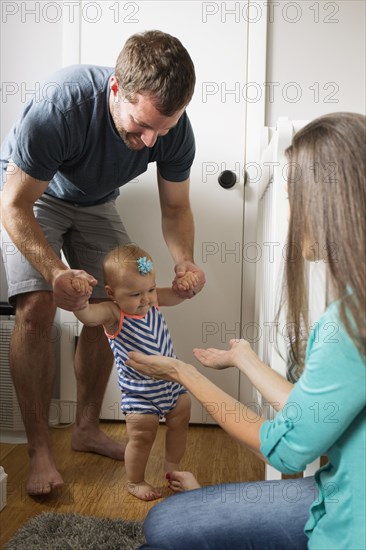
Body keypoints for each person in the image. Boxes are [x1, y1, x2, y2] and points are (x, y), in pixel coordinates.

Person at [127, 113, 366, 549]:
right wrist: (243, 358)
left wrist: (184, 373)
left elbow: (287, 448)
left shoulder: (351, 322)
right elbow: (314, 415)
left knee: (161, 528)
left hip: (349, 527)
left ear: (327, 204)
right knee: (175, 522)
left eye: (293, 196)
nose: (291, 213)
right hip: (340, 491)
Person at [0, 30, 205, 495]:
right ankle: (39, 451)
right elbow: (13, 205)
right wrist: (56, 273)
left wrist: (184, 262)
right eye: (141, 125)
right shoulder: (62, 105)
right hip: (35, 195)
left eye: (164, 128)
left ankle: (87, 428)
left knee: (122, 300)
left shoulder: (173, 130)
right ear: (117, 90)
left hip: (95, 203)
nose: (151, 139)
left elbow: (175, 209)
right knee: (37, 308)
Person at [72, 243, 193, 501]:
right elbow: (88, 316)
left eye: (150, 289)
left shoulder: (152, 301)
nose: (147, 298)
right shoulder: (113, 312)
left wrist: (185, 286)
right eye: (136, 294)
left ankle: (172, 468)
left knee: (181, 416)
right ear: (111, 293)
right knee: (142, 435)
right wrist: (80, 300)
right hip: (140, 393)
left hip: (170, 383)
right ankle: (135, 481)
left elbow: (177, 295)